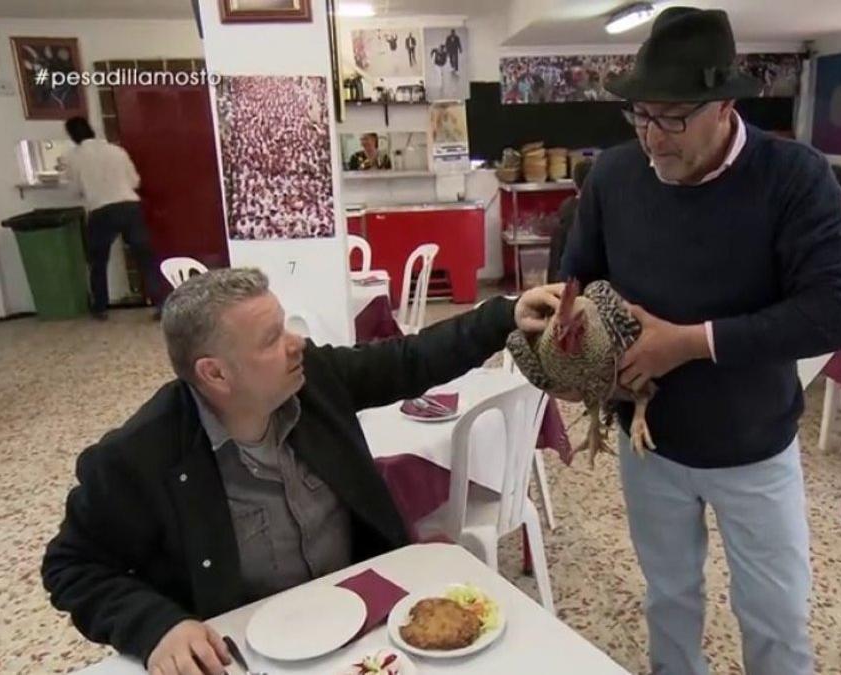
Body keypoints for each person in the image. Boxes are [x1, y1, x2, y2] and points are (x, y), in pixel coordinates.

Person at [42, 267, 562, 675]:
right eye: (270, 339)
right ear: (215, 373)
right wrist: (156, 627)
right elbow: (71, 567)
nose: (295, 342)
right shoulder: (139, 456)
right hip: (248, 652)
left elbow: (409, 360)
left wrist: (506, 315)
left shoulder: (315, 381)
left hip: (365, 631)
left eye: (285, 324)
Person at [560, 8, 841, 675]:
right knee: (669, 599)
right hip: (648, 444)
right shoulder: (613, 176)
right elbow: (578, 279)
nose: (652, 140)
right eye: (640, 115)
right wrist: (583, 351)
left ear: (724, 104)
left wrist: (690, 342)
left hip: (753, 445)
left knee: (775, 615)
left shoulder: (792, 176)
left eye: (672, 117)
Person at [62, 116, 160, 320]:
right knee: (145, 258)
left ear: (72, 136)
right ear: (92, 130)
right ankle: (161, 304)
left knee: (97, 261)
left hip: (101, 211)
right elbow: (135, 181)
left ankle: (100, 308)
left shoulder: (73, 158)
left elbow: (74, 191)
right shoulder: (117, 151)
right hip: (129, 207)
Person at [547, 158, 594, 283]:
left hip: (566, 283)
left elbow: (556, 256)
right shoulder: (600, 209)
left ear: (574, 183)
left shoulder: (567, 209)